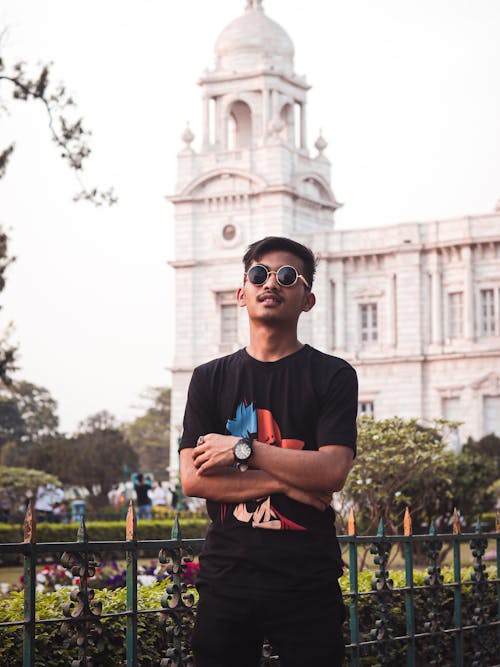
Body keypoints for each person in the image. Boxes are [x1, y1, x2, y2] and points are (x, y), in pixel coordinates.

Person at [180, 236, 358, 667]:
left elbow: (332, 472)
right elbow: (193, 479)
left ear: (308, 299)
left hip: (306, 580)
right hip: (226, 579)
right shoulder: (208, 379)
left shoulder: (333, 376)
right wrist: (291, 479)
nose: (270, 284)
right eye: (259, 274)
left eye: (287, 276)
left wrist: (242, 450)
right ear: (241, 293)